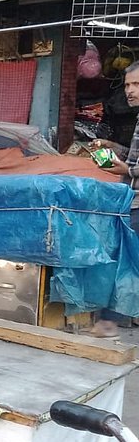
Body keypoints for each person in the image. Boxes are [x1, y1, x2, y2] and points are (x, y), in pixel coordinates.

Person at [92, 61, 139, 338]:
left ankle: (108, 322)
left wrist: (126, 170)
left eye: (137, 84)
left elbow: (133, 167)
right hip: (131, 199)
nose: (130, 91)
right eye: (128, 85)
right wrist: (113, 148)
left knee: (124, 259)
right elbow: (134, 158)